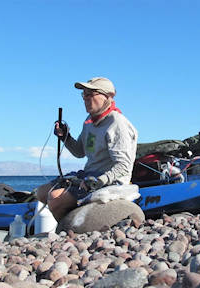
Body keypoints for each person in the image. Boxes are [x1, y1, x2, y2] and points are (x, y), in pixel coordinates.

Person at [36, 77, 138, 223]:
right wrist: (65, 137)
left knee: (55, 198)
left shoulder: (117, 123)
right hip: (89, 176)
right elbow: (79, 152)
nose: (86, 99)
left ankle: (70, 229)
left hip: (109, 180)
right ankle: (75, 218)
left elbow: (124, 166)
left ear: (108, 97)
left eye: (91, 94)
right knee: (41, 192)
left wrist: (100, 181)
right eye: (84, 95)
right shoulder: (89, 122)